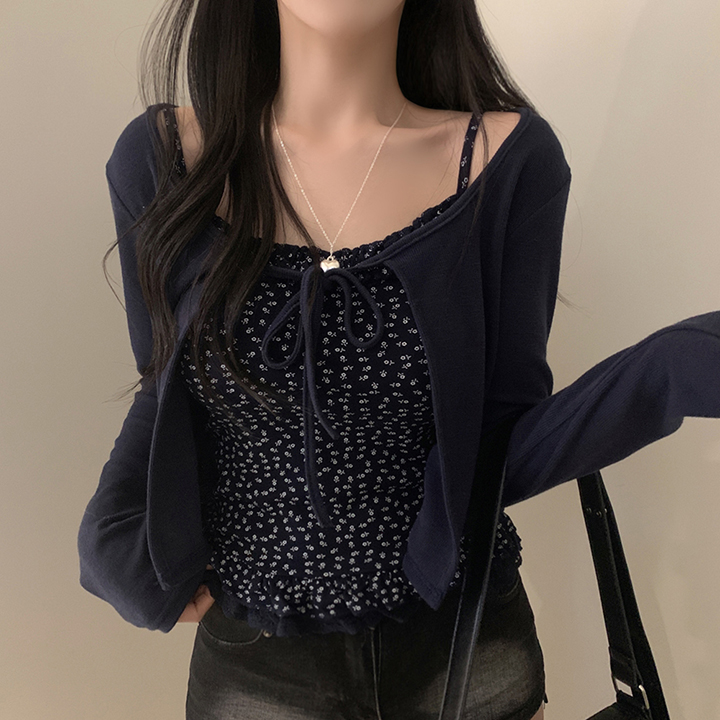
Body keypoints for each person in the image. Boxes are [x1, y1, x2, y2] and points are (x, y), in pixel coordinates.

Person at [77, 1, 720, 719]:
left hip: (466, 648)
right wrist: (113, 527)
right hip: (259, 661)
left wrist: (668, 371)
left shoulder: (511, 161)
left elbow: (498, 442)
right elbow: (166, 385)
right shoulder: (165, 159)